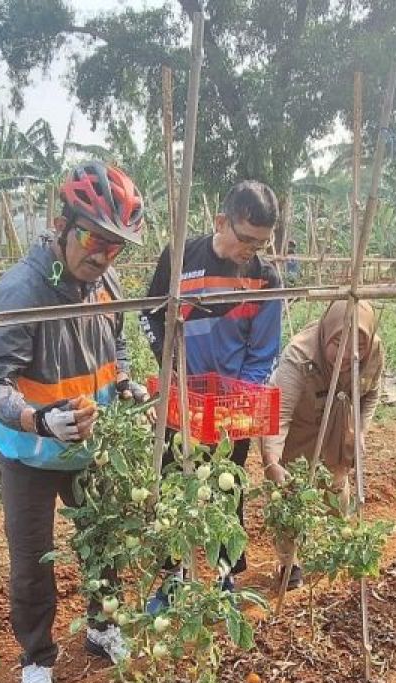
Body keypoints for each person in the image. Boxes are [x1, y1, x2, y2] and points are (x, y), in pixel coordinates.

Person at [0, 161, 150, 683]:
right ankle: (36, 659)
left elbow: (115, 344)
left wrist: (123, 382)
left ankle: (102, 627)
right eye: (94, 239)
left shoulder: (104, 283)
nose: (100, 255)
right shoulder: (22, 290)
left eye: (114, 247)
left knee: (102, 543)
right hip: (29, 453)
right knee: (32, 560)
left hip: (90, 446)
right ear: (62, 222)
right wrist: (40, 420)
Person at [140, 180, 283, 601]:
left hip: (231, 408)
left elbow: (263, 352)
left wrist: (237, 399)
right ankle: (171, 579)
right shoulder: (179, 258)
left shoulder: (265, 278)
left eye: (261, 243)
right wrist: (168, 365)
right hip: (183, 398)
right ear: (222, 221)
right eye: (246, 239)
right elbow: (151, 316)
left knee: (227, 489)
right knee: (172, 487)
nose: (251, 251)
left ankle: (224, 577)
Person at [260, 299, 385, 589]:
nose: (346, 355)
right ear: (327, 333)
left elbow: (371, 394)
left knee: (337, 486)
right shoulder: (299, 356)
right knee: (289, 494)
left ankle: (330, 546)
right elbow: (278, 417)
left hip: (336, 426)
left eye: (358, 347)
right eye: (337, 343)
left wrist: (360, 431)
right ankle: (289, 562)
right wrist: (272, 461)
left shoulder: (373, 351)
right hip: (295, 429)